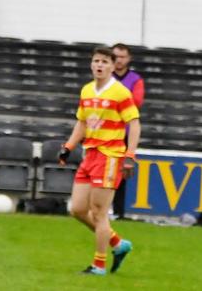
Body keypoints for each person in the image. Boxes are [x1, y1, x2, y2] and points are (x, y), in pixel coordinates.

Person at [59, 46, 141, 276]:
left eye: (105, 61)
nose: (99, 65)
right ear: (91, 64)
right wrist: (68, 147)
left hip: (110, 156)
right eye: (96, 61)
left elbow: (134, 124)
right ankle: (117, 243)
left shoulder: (120, 92)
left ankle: (99, 265)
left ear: (113, 66)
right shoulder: (86, 90)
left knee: (99, 212)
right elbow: (82, 123)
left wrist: (130, 156)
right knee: (77, 209)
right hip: (90, 154)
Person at [111, 42, 145, 220]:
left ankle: (118, 211)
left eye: (122, 57)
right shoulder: (105, 77)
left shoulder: (136, 79)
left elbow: (136, 102)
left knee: (121, 173)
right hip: (105, 132)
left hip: (124, 132)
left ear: (129, 59)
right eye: (115, 56)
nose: (118, 60)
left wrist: (114, 99)